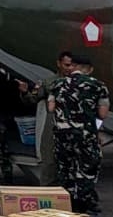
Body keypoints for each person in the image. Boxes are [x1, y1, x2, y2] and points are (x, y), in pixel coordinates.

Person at [48, 54, 111, 217]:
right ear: (89, 69)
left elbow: (51, 107)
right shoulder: (98, 86)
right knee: (86, 171)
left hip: (62, 136)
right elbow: (103, 114)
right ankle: (88, 208)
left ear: (73, 66)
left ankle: (68, 207)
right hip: (86, 135)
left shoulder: (57, 84)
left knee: (65, 171)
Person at [18, 51, 75, 185]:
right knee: (48, 161)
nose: (69, 68)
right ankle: (48, 192)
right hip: (53, 126)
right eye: (66, 65)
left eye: (72, 65)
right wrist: (25, 91)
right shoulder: (49, 82)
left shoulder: (79, 82)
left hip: (73, 126)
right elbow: (32, 100)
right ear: (59, 64)